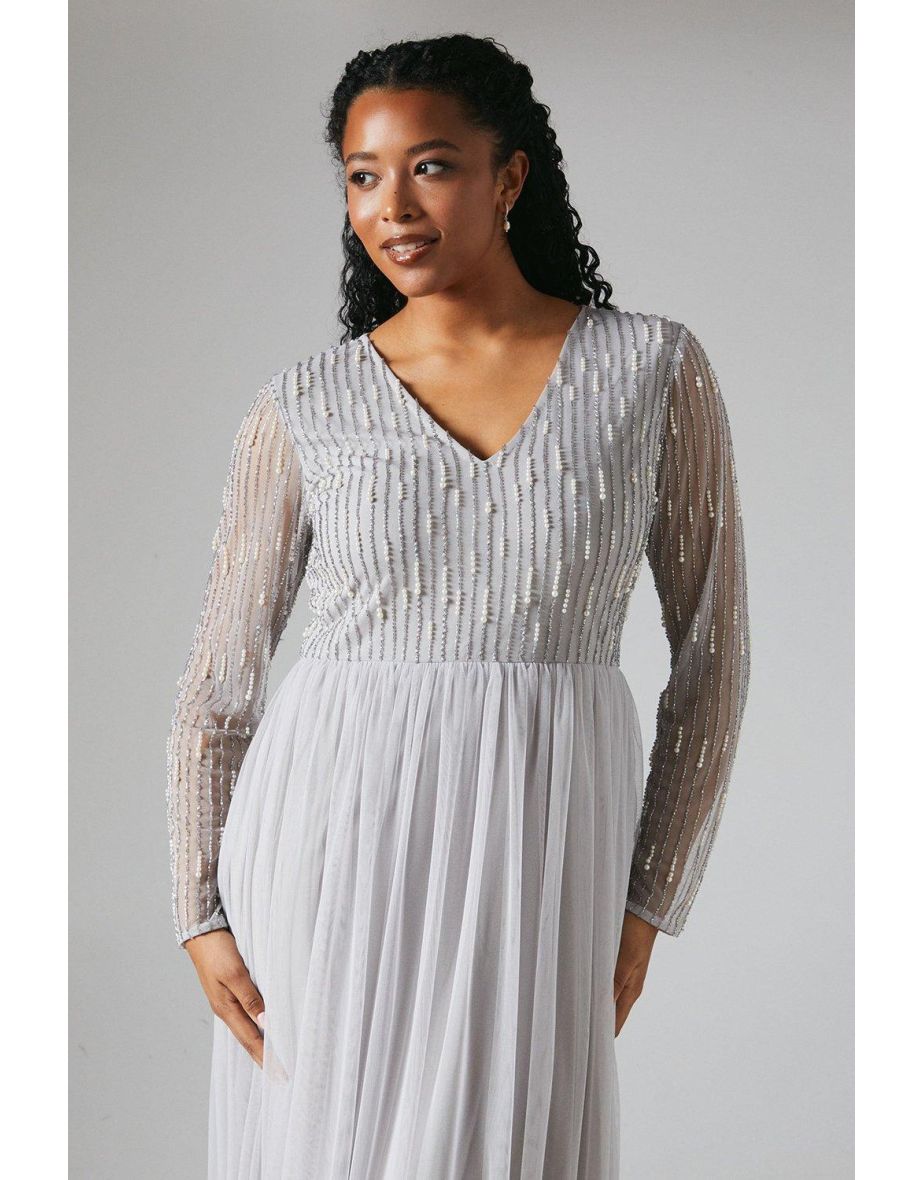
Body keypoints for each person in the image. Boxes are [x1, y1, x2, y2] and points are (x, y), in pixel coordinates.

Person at [166, 32, 751, 1179]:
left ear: (509, 176)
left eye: (428, 166)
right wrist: (199, 908)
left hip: (543, 846)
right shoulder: (306, 404)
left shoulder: (649, 372)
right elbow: (219, 681)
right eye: (362, 175)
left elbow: (713, 658)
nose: (391, 206)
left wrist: (648, 901)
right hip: (325, 839)